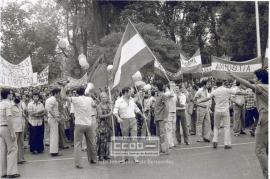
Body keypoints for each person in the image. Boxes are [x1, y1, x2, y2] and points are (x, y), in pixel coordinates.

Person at [228, 69, 268, 178]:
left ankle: (266, 175)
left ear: (259, 79)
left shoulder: (262, 87)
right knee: (267, 148)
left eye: (255, 77)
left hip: (265, 117)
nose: (253, 80)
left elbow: (248, 85)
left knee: (259, 149)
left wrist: (233, 75)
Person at [196, 80, 246, 149]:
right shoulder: (227, 90)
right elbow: (237, 92)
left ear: (216, 84)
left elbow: (207, 98)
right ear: (222, 83)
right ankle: (226, 143)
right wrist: (245, 93)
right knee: (226, 127)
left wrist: (199, 101)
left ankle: (215, 140)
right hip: (225, 111)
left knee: (216, 127)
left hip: (217, 110)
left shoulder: (215, 91)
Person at [61, 85, 97, 169]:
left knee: (77, 144)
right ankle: (93, 159)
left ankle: (78, 163)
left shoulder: (75, 99)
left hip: (79, 124)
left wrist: (63, 87)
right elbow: (94, 106)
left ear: (77, 93)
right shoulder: (89, 99)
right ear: (84, 92)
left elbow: (63, 97)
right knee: (91, 143)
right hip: (89, 123)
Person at [113, 87, 146, 163]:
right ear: (125, 92)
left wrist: (142, 115)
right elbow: (115, 111)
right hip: (124, 121)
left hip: (133, 120)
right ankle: (124, 157)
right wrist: (118, 117)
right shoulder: (119, 101)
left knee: (134, 139)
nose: (132, 93)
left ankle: (135, 157)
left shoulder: (132, 100)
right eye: (130, 92)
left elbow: (137, 109)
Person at [0, 88, 20, 178]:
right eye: (11, 94)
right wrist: (12, 132)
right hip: (7, 128)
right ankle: (11, 172)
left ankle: (3, 172)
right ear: (8, 95)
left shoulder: (0, 104)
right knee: (12, 149)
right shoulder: (8, 104)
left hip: (1, 127)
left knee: (3, 150)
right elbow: (9, 118)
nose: (12, 95)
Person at [154, 82, 172, 154]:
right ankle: (161, 149)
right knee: (158, 134)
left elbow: (167, 107)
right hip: (157, 117)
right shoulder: (157, 96)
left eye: (155, 87)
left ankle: (166, 150)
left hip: (162, 118)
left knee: (162, 134)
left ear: (158, 87)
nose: (154, 88)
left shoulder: (163, 95)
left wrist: (165, 117)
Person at [45, 88, 61, 157]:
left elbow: (47, 109)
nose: (59, 94)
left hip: (51, 118)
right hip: (53, 119)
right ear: (56, 93)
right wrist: (56, 117)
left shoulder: (48, 99)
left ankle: (54, 150)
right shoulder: (53, 99)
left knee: (53, 135)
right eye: (59, 93)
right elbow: (50, 110)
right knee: (54, 135)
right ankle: (54, 152)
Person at [96, 92, 112, 161]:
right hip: (102, 125)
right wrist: (109, 114)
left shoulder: (108, 105)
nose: (104, 98)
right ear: (100, 98)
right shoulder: (99, 106)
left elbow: (112, 112)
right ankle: (101, 155)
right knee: (102, 140)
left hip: (108, 124)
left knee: (107, 140)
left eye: (105, 97)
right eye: (103, 97)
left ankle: (106, 154)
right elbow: (100, 116)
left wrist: (112, 107)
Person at [11, 96, 26, 164]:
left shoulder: (20, 105)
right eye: (16, 97)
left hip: (21, 127)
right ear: (13, 98)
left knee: (21, 144)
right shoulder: (10, 106)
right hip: (15, 128)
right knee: (14, 145)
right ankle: (14, 160)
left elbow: (22, 115)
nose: (17, 98)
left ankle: (20, 159)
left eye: (18, 97)